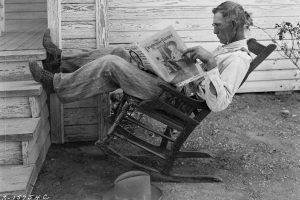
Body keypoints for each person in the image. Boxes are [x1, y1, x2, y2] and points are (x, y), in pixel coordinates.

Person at [29, 1, 252, 112]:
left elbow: (220, 103)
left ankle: (56, 85)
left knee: (111, 64)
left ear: (233, 25)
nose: (214, 31)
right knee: (121, 53)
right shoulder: (227, 48)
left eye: (218, 26)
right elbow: (201, 78)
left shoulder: (238, 59)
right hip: (173, 85)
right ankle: (59, 62)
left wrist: (210, 64)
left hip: (173, 99)